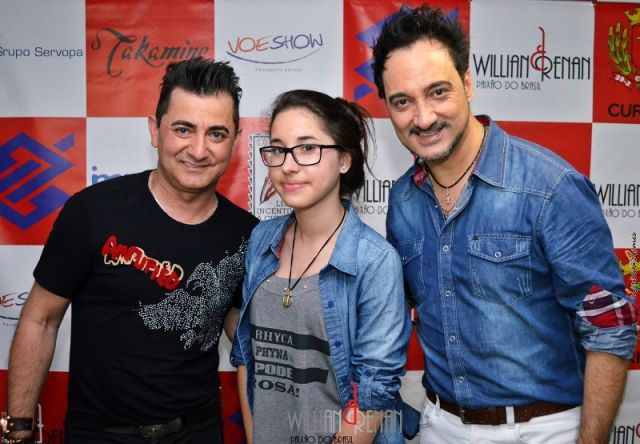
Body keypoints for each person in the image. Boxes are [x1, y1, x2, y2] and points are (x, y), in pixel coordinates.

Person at [371, 5, 637, 444]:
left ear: (468, 84)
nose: (423, 117)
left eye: (438, 92)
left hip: (541, 431)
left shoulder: (550, 187)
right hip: (440, 425)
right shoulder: (402, 200)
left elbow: (609, 325)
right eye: (403, 101)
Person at [4, 57, 258, 444]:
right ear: (155, 130)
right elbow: (40, 320)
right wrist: (18, 428)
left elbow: (250, 346)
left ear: (235, 141)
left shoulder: (247, 235)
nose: (198, 149)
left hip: (198, 433)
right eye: (183, 129)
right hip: (100, 436)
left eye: (217, 133)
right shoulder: (93, 211)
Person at [230, 90, 411, 444]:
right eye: (278, 149)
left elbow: (372, 398)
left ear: (344, 159)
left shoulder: (374, 260)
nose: (288, 165)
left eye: (308, 148)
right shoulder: (262, 239)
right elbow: (245, 355)